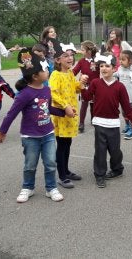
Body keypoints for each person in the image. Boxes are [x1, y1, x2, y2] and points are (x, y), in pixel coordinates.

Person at [0, 51, 67, 203]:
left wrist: (63, 113)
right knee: (30, 165)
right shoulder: (24, 94)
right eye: (45, 70)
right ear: (35, 76)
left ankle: (51, 188)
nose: (48, 71)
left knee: (50, 163)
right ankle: (28, 187)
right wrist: (2, 132)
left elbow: (48, 109)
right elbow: (11, 114)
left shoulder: (46, 90)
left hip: (48, 134)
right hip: (30, 137)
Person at [86, 52, 132, 188]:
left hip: (113, 123)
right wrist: (82, 85)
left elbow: (126, 105)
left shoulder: (120, 86)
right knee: (100, 151)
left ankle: (117, 169)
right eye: (101, 66)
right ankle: (100, 175)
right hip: (99, 122)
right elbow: (86, 96)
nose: (104, 68)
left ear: (114, 68)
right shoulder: (95, 83)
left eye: (107, 66)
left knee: (115, 150)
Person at [49, 42, 87, 189]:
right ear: (58, 60)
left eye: (71, 55)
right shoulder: (55, 74)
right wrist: (65, 106)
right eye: (65, 56)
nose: (70, 58)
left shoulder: (70, 73)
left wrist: (81, 83)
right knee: (62, 145)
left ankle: (66, 170)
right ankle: (62, 176)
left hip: (71, 114)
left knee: (68, 144)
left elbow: (74, 89)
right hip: (62, 115)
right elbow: (53, 93)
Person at [72, 41, 99, 133]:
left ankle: (93, 119)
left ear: (89, 51)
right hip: (85, 86)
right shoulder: (81, 61)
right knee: (84, 104)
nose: (81, 51)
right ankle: (81, 123)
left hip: (95, 86)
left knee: (93, 104)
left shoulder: (97, 61)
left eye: (83, 50)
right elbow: (75, 71)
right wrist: (68, 74)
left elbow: (103, 69)